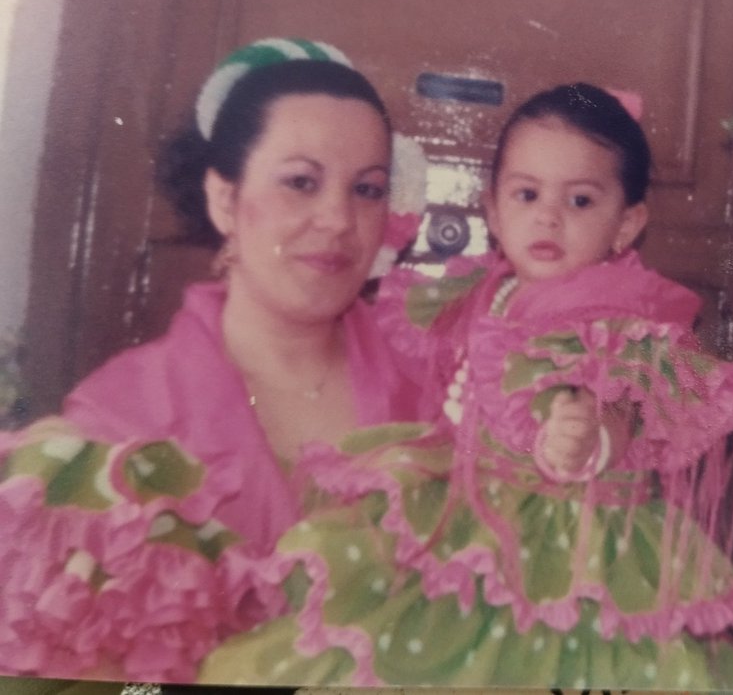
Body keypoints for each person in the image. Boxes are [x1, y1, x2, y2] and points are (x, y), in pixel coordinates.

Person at [200, 83, 733, 690]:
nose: (548, 216)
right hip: (466, 521)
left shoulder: (618, 314)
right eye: (527, 195)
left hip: (569, 550)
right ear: (494, 212)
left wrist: (593, 436)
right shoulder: (477, 294)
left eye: (580, 201)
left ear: (626, 224)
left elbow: (626, 402)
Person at [0, 39, 423, 682]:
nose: (338, 219)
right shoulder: (118, 415)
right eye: (300, 182)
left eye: (366, 189)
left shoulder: (438, 384)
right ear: (224, 198)